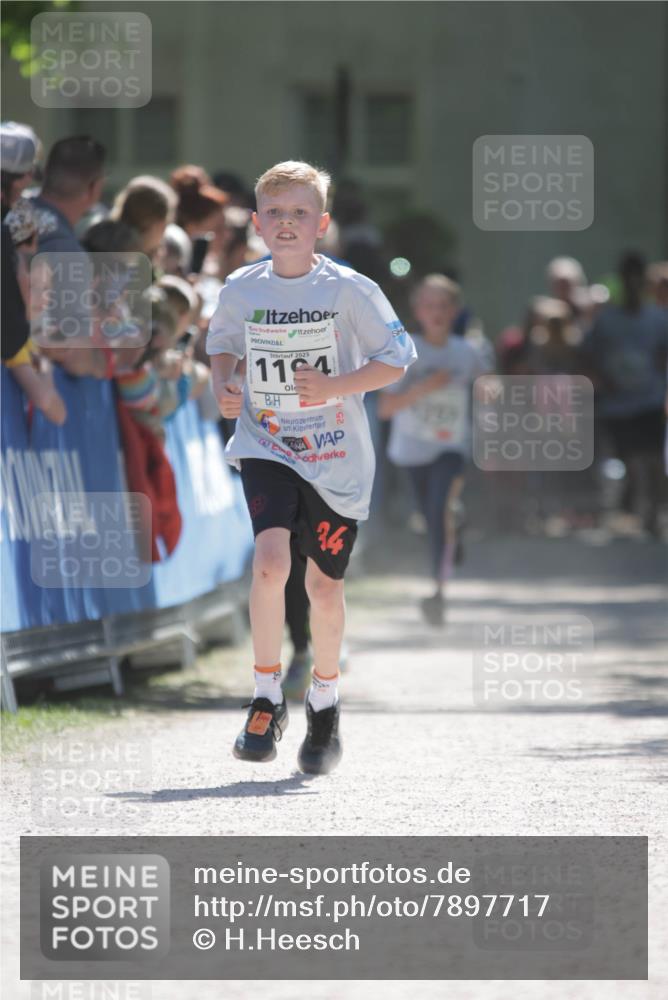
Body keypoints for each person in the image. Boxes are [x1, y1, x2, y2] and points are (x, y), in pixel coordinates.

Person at [207, 160, 416, 774]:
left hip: (336, 459)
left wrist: (335, 387)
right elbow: (221, 342)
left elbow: (397, 359)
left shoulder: (349, 290)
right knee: (271, 563)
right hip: (268, 444)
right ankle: (266, 696)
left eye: (300, 213)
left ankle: (323, 699)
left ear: (322, 223)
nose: (287, 223)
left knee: (323, 587)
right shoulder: (242, 289)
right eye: (275, 213)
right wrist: (224, 384)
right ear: (256, 223)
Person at [378, 274, 486, 625]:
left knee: (439, 511)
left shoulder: (467, 352)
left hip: (449, 447)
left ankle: (438, 592)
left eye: (443, 306)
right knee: (430, 519)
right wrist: (424, 387)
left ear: (454, 311)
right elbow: (384, 408)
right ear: (417, 310)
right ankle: (453, 527)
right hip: (410, 451)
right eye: (429, 305)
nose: (436, 312)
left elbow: (487, 386)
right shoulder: (404, 349)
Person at [583, 252, 668, 535]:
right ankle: (639, 511)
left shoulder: (658, 318)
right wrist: (601, 380)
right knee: (634, 461)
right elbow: (588, 356)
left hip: (651, 399)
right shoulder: (606, 321)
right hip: (618, 405)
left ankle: (653, 515)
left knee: (654, 458)